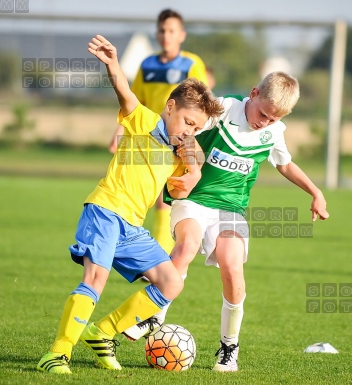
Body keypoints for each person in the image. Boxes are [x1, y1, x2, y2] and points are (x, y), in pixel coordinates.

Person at [36, 34, 223, 374]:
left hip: (132, 228)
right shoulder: (145, 121)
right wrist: (112, 64)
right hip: (105, 210)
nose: (190, 131)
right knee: (96, 278)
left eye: (197, 128)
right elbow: (124, 91)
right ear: (170, 108)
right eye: (187, 122)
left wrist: (194, 170)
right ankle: (58, 354)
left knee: (171, 282)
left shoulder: (185, 151)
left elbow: (179, 193)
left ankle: (102, 333)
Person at [123, 72, 330, 372]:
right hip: (193, 199)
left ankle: (229, 346)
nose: (264, 122)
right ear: (254, 92)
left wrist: (315, 192)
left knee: (233, 269)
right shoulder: (222, 110)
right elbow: (185, 130)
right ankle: (155, 314)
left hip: (231, 209)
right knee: (186, 247)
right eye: (263, 114)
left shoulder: (274, 132)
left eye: (273, 119)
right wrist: (187, 162)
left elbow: (284, 164)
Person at [108, 8, 210, 256]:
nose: (166, 35)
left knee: (168, 194)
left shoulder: (191, 63)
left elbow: (201, 101)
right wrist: (120, 129)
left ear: (182, 35)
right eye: (162, 30)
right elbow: (136, 100)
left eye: (172, 31)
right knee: (147, 192)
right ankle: (142, 247)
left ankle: (162, 250)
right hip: (147, 135)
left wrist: (191, 137)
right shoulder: (147, 64)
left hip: (177, 137)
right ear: (157, 33)